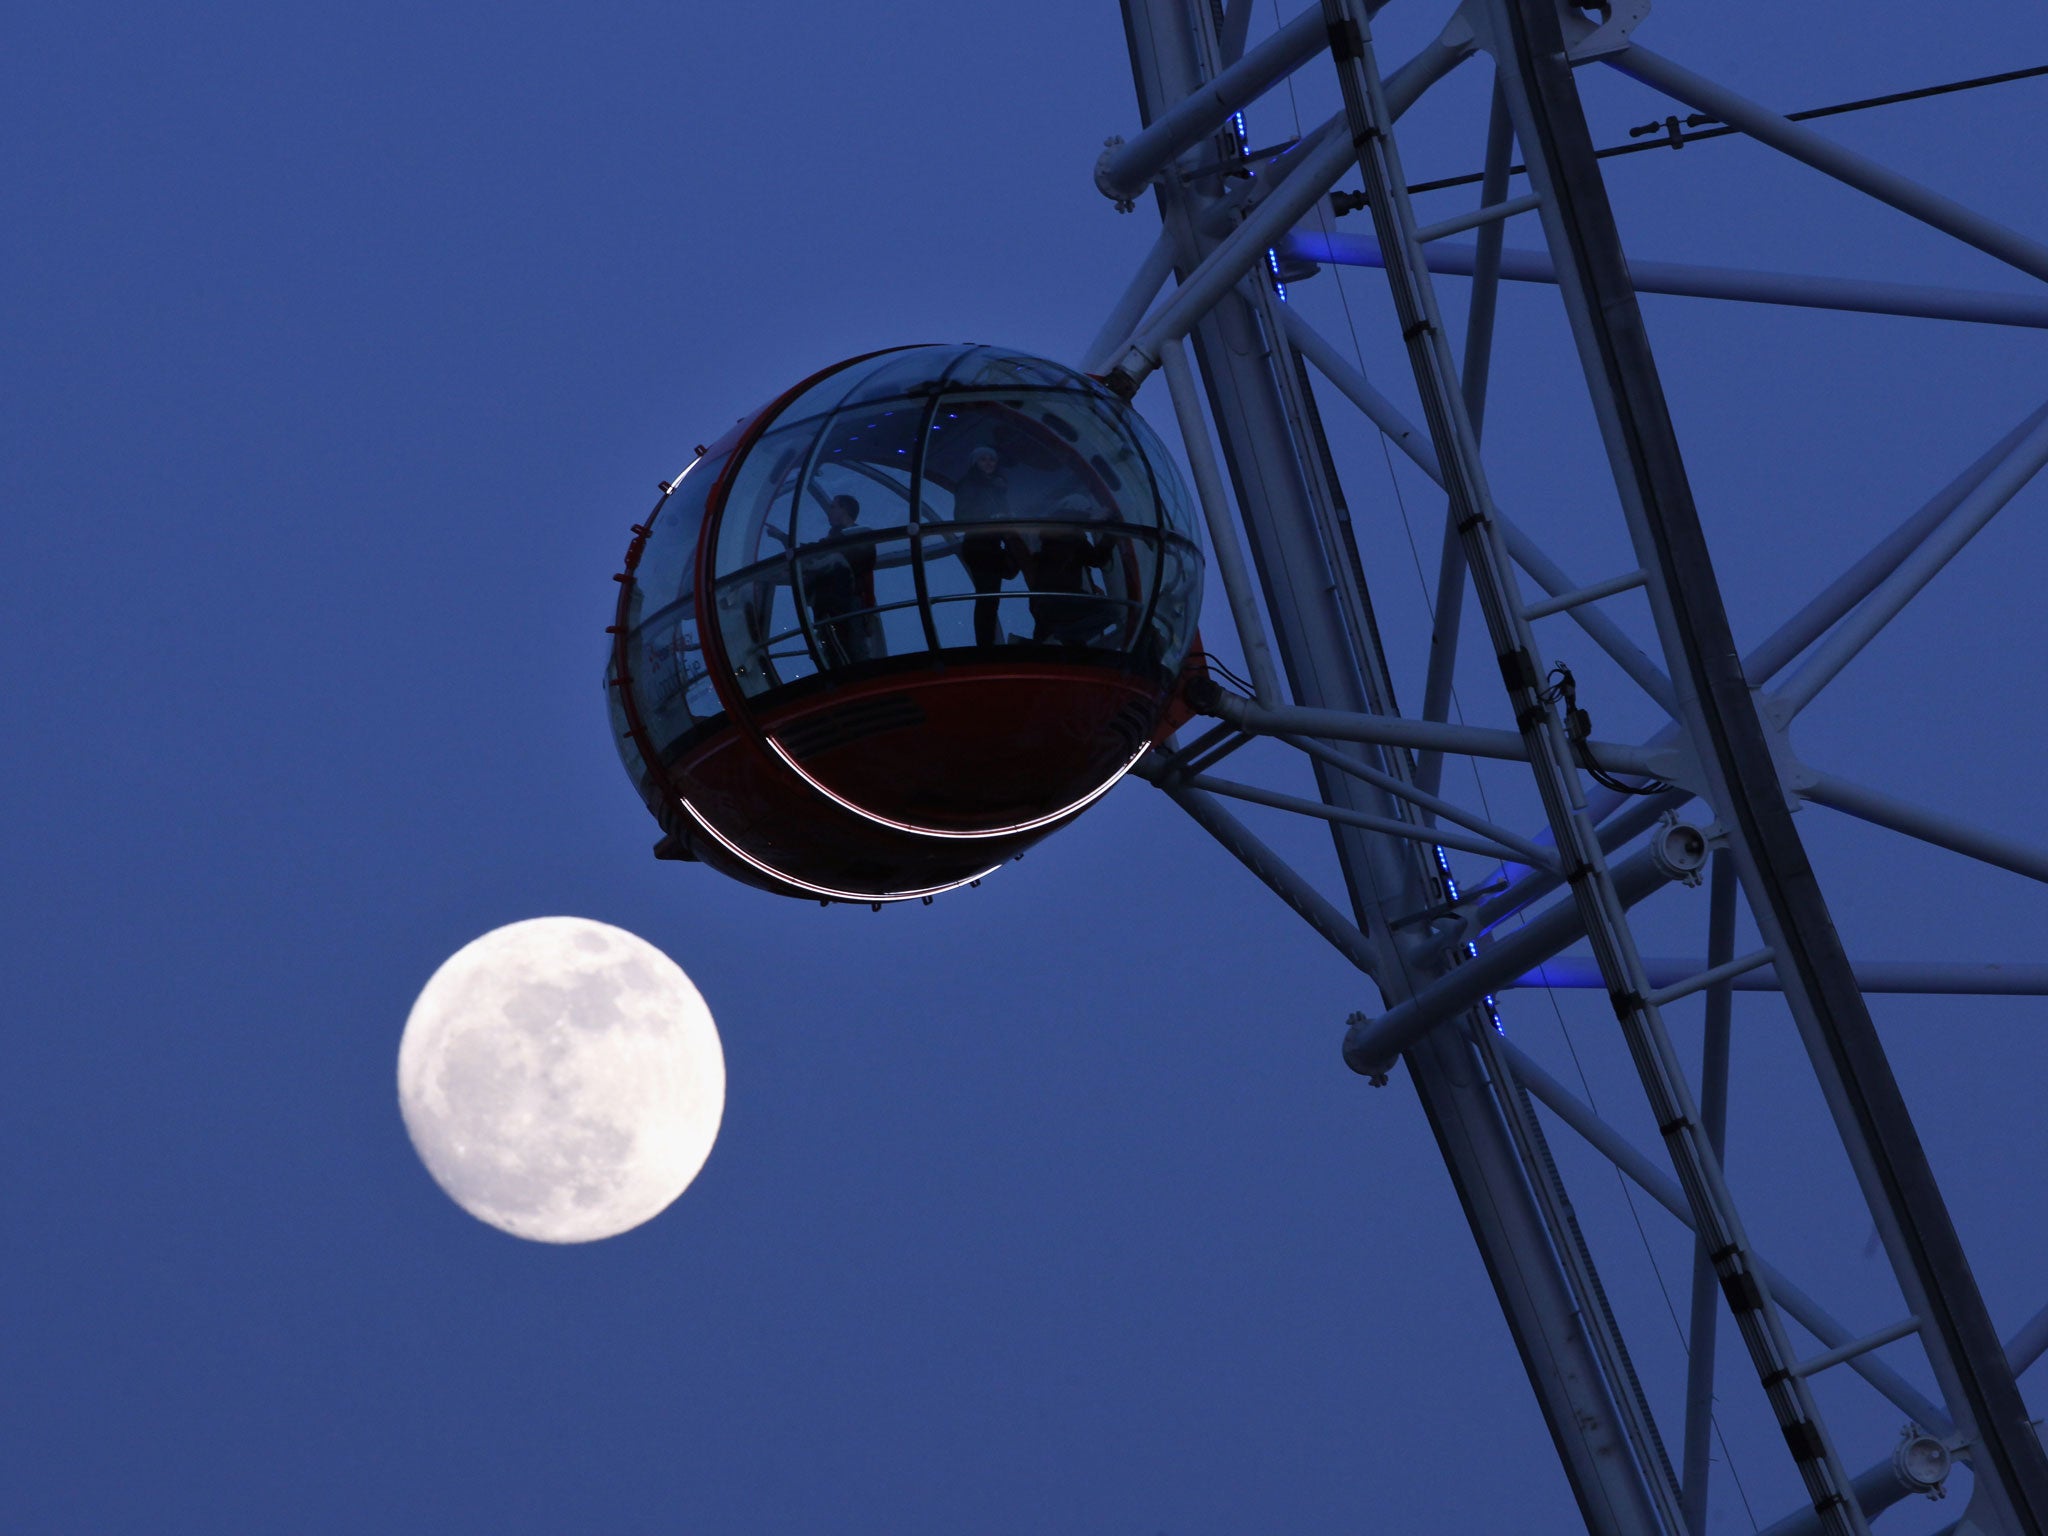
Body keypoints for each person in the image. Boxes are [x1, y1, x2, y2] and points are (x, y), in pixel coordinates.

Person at [1024, 492, 1120, 645]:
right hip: (1055, 598)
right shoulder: (1055, 534)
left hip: (1058, 599)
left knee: (1061, 643)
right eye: (1084, 511)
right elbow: (1063, 520)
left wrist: (1111, 533)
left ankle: (1058, 638)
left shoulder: (1075, 539)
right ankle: (1059, 637)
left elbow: (1096, 559)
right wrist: (1093, 518)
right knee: (1110, 611)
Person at [801, 494, 882, 667]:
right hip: (830, 605)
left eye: (833, 507)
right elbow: (810, 553)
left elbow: (863, 569)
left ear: (844, 509)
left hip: (849, 602)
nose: (828, 512)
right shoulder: (833, 540)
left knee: (854, 649)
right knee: (833, 652)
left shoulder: (859, 536)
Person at [950, 445, 1017, 648]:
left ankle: (987, 643)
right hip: (979, 546)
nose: (988, 463)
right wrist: (989, 518)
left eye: (991, 459)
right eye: (983, 459)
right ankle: (986, 644)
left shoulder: (996, 487)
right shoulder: (970, 484)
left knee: (991, 598)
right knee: (988, 597)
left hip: (992, 544)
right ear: (975, 463)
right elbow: (962, 515)